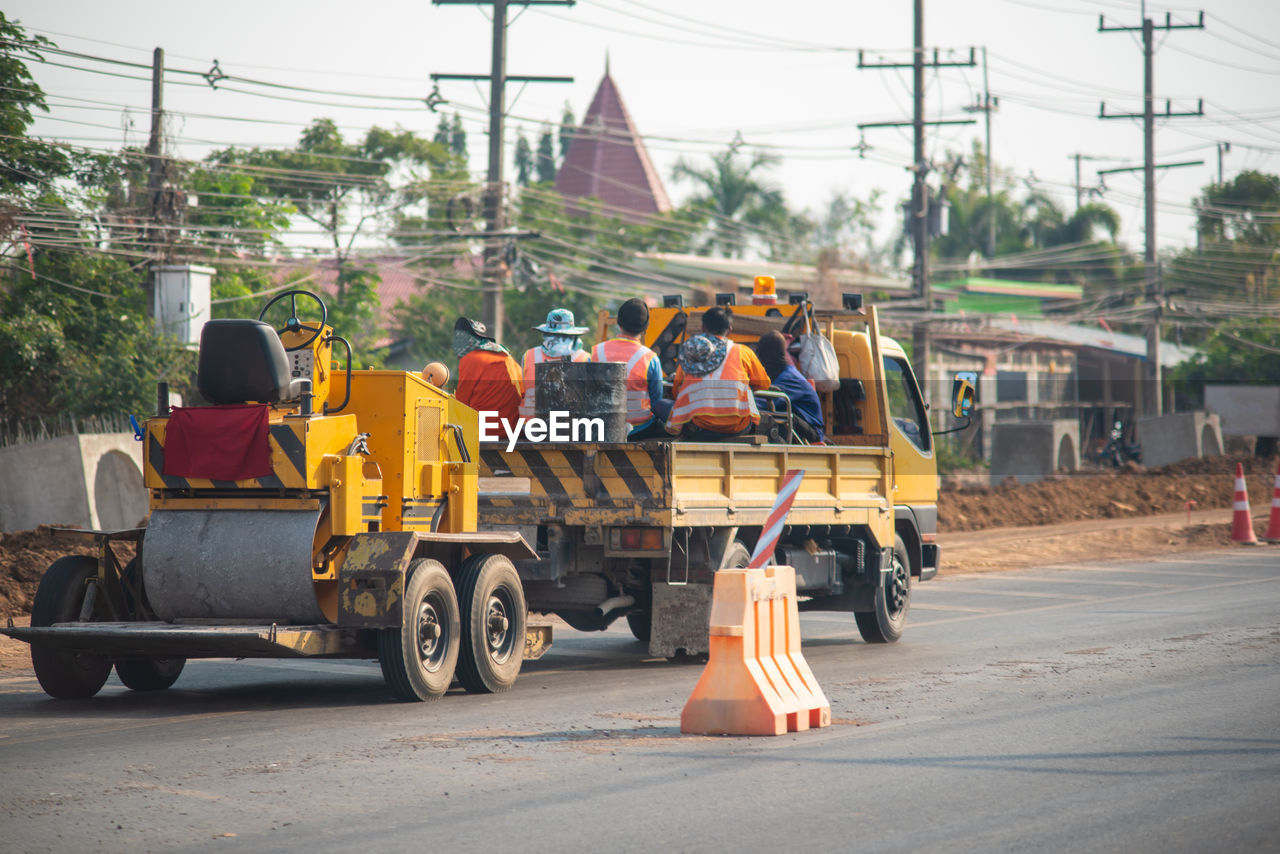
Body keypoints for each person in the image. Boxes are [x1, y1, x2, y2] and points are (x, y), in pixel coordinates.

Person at [666, 306, 770, 440]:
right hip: (737, 427)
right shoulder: (743, 352)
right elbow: (764, 385)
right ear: (730, 331)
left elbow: (676, 390)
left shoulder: (691, 353)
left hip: (700, 428)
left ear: (703, 328)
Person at [592, 298, 672, 440]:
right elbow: (656, 403)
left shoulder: (596, 352)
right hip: (640, 430)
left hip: (602, 429)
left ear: (618, 322)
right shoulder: (650, 358)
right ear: (645, 327)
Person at [755, 331, 825, 443]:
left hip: (812, 433)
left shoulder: (790, 378)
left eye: (760, 354)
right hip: (801, 428)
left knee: (783, 419)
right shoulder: (779, 375)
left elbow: (761, 402)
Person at [520, 308, 591, 417]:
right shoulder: (585, 359)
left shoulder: (529, 355)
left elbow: (521, 392)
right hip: (570, 429)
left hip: (530, 428)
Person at [452, 317, 523, 426]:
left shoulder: (470, 359)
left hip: (485, 429)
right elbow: (523, 392)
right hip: (513, 427)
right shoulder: (506, 355)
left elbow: (462, 403)